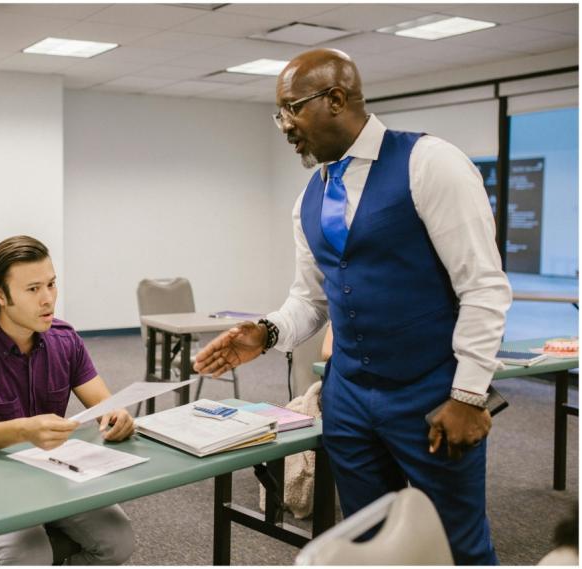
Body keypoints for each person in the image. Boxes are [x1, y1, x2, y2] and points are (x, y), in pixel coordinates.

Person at [195, 48, 511, 565]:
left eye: (290, 109)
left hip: (432, 395)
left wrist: (469, 395)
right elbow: (311, 297)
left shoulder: (430, 163)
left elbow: (483, 286)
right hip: (349, 402)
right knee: (372, 545)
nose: (284, 126)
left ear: (335, 99)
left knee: (459, 545)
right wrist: (267, 332)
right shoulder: (310, 197)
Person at [0, 235, 135, 566]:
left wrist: (118, 417)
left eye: (52, 284)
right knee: (29, 554)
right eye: (33, 289)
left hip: (51, 472)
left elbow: (105, 405)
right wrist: (24, 430)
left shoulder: (65, 340)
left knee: (118, 540)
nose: (48, 299)